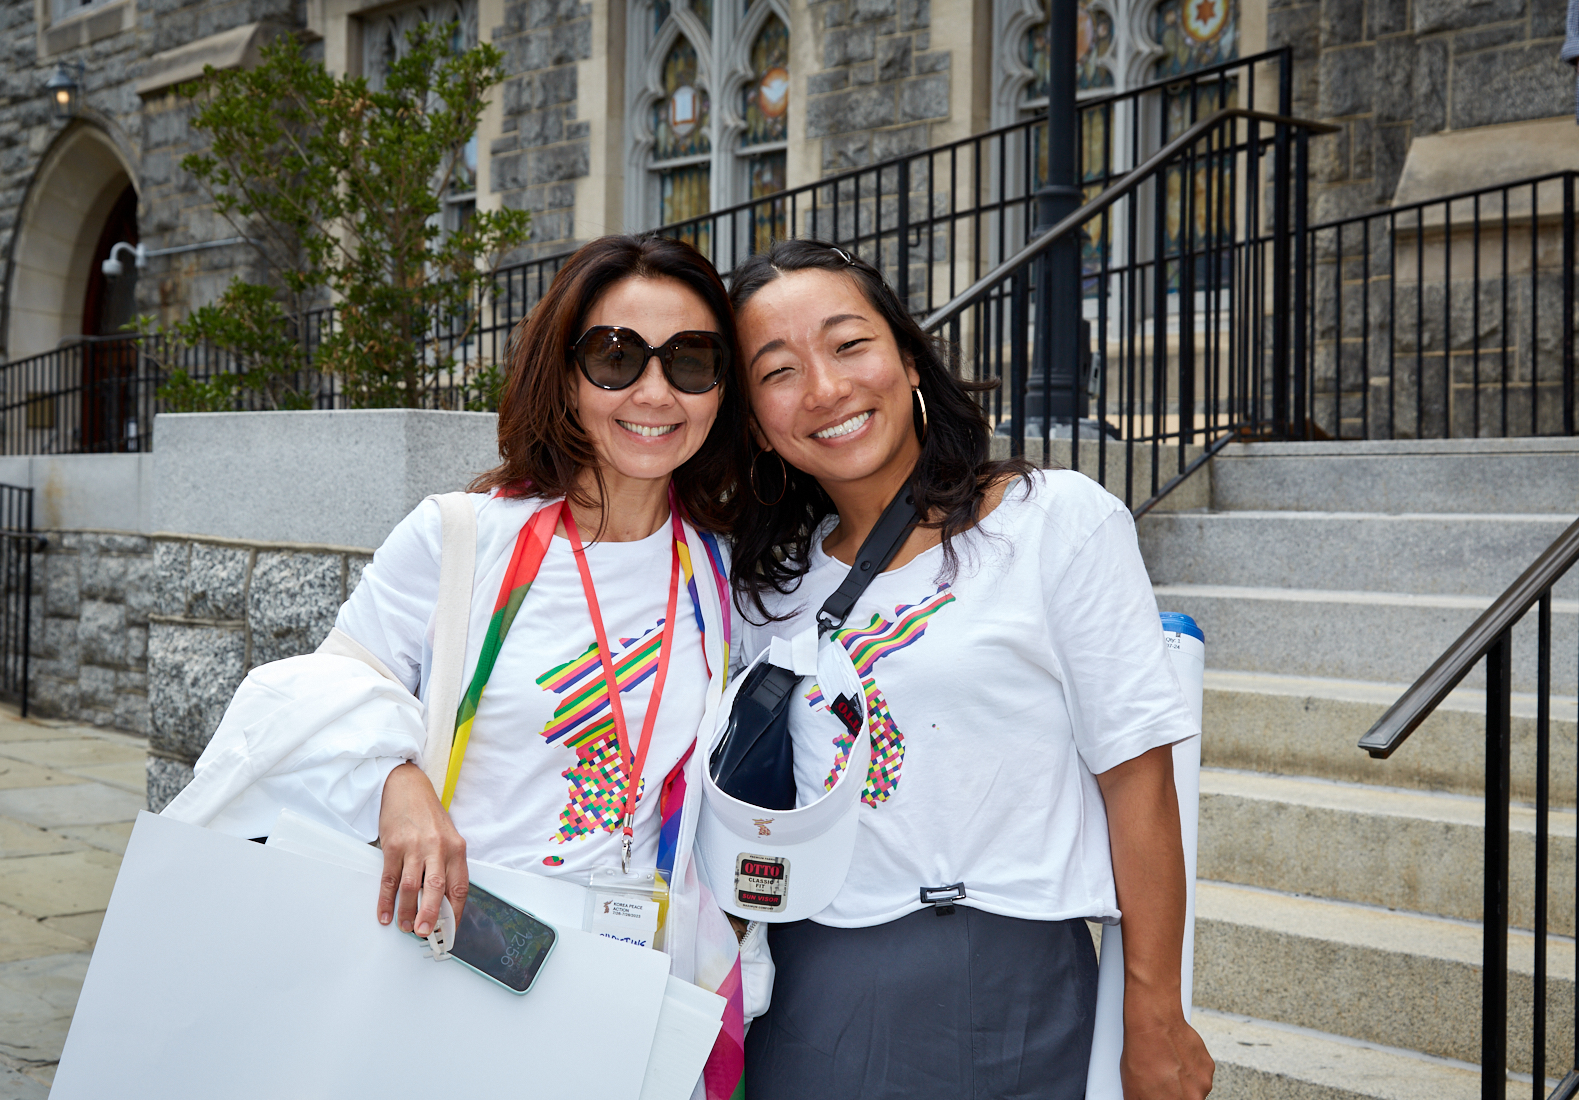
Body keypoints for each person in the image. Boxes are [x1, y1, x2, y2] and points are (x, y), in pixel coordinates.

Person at [162, 234, 756, 1099]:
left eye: (691, 360)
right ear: (565, 372)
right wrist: (396, 783)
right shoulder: (463, 537)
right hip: (453, 954)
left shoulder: (718, 572)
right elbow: (318, 697)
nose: (655, 391)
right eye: (616, 356)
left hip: (624, 983)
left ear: (721, 387)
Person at [724, 240, 1214, 1100]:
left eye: (849, 344)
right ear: (757, 422)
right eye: (778, 371)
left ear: (909, 359)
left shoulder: (1052, 522)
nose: (825, 388)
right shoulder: (767, 589)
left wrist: (1155, 1010)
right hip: (812, 1001)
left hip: (1018, 992)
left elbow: (1139, 783)